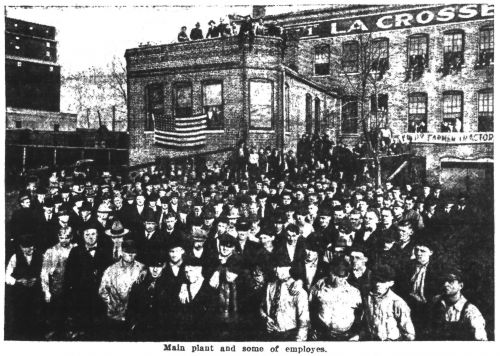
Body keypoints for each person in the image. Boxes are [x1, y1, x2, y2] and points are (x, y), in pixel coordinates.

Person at [63, 222, 113, 340]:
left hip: (99, 296)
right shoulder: (75, 252)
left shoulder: (104, 251)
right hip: (81, 296)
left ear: (97, 235)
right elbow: (69, 276)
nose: (90, 237)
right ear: (82, 236)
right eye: (87, 234)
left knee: (98, 329)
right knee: (82, 328)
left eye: (93, 234)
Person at [99, 239, 144, 340]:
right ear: (122, 252)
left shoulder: (141, 268)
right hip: (115, 315)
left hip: (134, 316)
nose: (130, 255)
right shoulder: (111, 269)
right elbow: (102, 290)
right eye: (127, 252)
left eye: (133, 252)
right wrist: (111, 303)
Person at [126, 250, 176, 341]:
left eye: (158, 266)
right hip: (141, 330)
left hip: (162, 330)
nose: (155, 269)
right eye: (152, 266)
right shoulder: (139, 284)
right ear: (148, 267)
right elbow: (131, 307)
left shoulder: (169, 285)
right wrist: (132, 325)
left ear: (163, 266)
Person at [309, 257, 363, 341]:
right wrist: (313, 328)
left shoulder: (354, 292)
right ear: (329, 272)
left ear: (347, 276)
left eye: (340, 276)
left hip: (346, 336)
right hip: (322, 335)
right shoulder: (318, 288)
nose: (336, 279)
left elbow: (361, 315)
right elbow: (310, 308)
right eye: (333, 274)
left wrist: (357, 333)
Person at [428, 268, 487, 341]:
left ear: (461, 286)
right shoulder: (436, 301)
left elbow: (481, 338)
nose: (445, 284)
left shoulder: (470, 311)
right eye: (444, 281)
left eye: (450, 281)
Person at [260, 255, 309, 341]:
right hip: (271, 335)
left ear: (289, 267)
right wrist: (266, 319)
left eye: (281, 267)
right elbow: (262, 307)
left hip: (289, 336)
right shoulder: (270, 286)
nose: (277, 270)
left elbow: (304, 322)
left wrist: (299, 343)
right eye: (275, 267)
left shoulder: (299, 292)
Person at [360, 264, 415, 341]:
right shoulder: (367, 298)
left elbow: (409, 333)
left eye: (382, 281)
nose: (377, 284)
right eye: (376, 280)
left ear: (391, 283)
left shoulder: (397, 302)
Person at [5, 234, 45, 340]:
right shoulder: (15, 257)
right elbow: (6, 276)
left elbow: (44, 272)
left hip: (36, 293)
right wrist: (18, 281)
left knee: (36, 317)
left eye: (32, 247)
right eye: (27, 247)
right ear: (21, 247)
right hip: (20, 294)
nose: (30, 249)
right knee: (21, 318)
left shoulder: (40, 255)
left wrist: (37, 279)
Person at [41, 226, 77, 339]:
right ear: (58, 237)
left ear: (71, 237)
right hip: (56, 287)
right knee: (55, 312)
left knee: (71, 311)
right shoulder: (50, 251)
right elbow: (44, 273)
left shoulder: (76, 249)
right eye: (61, 237)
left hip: (72, 287)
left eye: (67, 237)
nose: (64, 240)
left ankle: (70, 332)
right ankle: (54, 332)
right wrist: (46, 291)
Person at [177, 255, 217, 341]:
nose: (188, 274)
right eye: (186, 272)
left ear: (199, 269)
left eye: (191, 270)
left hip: (205, 337)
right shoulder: (184, 288)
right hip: (186, 337)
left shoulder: (210, 287)